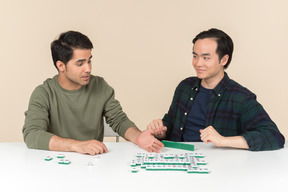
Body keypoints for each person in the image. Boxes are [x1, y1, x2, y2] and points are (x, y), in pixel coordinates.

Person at [23, 31, 163, 155]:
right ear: (61, 66)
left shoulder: (100, 86)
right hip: (54, 163)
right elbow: (32, 134)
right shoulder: (43, 93)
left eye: (89, 61)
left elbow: (119, 121)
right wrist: (78, 145)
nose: (88, 69)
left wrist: (138, 137)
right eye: (80, 63)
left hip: (93, 163)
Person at [147, 28, 285, 151]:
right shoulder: (184, 87)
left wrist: (223, 140)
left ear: (224, 60)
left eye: (206, 57)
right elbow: (170, 123)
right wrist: (161, 130)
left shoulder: (241, 97)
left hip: (218, 169)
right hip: (177, 159)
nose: (198, 63)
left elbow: (273, 136)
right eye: (195, 56)